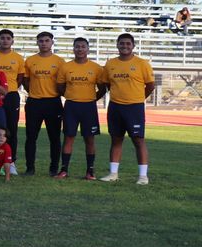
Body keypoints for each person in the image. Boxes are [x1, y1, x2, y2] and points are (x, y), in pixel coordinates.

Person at [100, 33, 155, 185]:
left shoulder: (142, 63)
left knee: (138, 140)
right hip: (116, 106)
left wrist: (138, 98)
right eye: (121, 43)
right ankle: (113, 173)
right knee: (116, 139)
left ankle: (143, 176)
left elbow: (150, 85)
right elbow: (107, 84)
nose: (124, 46)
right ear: (117, 45)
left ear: (133, 46)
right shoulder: (110, 64)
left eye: (127, 44)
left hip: (134, 108)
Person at [55, 37, 108, 180]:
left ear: (88, 49)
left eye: (83, 46)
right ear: (73, 49)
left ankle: (90, 171)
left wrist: (91, 98)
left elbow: (102, 88)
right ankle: (64, 170)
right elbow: (60, 87)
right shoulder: (66, 67)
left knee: (89, 139)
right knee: (68, 138)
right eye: (77, 46)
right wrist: (71, 96)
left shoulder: (96, 68)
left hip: (89, 106)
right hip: (71, 106)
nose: (80, 49)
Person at [23, 31, 65, 177]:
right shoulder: (30, 60)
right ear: (37, 43)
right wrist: (35, 92)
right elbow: (26, 81)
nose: (44, 43)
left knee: (54, 137)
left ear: (52, 42)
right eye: (41, 41)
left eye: (47, 40)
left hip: (53, 102)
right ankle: (30, 168)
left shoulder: (60, 61)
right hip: (34, 102)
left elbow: (62, 82)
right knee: (31, 137)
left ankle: (53, 168)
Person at [0, 29, 26, 168]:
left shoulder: (18, 58)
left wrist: (8, 90)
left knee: (11, 129)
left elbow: (20, 77)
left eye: (8, 38)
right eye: (2, 38)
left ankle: (11, 162)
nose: (5, 40)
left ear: (12, 41)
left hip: (11, 95)